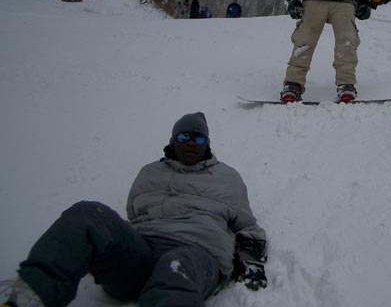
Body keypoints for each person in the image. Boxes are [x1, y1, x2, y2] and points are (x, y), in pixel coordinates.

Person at [1, 113, 268, 307]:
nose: (190, 142)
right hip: (141, 253)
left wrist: (251, 261)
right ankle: (29, 298)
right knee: (87, 214)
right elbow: (133, 214)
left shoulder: (226, 177)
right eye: (184, 136)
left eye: (197, 137)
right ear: (173, 140)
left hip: (197, 252)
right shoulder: (149, 172)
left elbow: (247, 226)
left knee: (173, 269)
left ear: (206, 142)